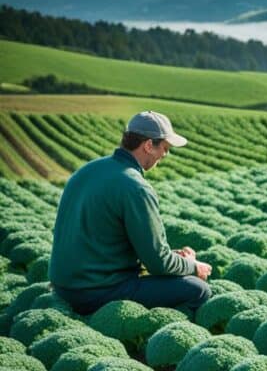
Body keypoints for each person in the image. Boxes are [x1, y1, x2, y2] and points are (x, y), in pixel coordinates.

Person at [49, 111, 213, 316]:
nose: (165, 154)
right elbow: (158, 263)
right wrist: (192, 266)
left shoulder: (88, 170)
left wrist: (176, 259)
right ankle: (150, 339)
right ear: (148, 146)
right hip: (95, 291)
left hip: (64, 285)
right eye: (165, 148)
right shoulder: (136, 187)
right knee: (198, 290)